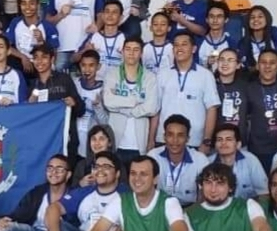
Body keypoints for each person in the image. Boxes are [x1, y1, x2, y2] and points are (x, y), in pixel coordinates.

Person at [43, 151, 127, 231]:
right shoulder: (83, 192)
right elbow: (53, 208)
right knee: (59, 226)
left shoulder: (127, 193)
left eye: (106, 167)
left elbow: (130, 222)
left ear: (117, 173)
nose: (100, 170)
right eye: (96, 167)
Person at [151, 31, 219, 154]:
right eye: (176, 45)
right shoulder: (162, 74)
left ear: (194, 49)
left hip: (195, 141)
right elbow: (155, 109)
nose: (179, 48)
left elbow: (211, 109)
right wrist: (151, 139)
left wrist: (206, 141)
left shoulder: (205, 75)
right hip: (164, 139)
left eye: (184, 44)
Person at [102, 37, 159, 169]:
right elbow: (108, 102)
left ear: (141, 53)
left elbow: (151, 108)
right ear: (122, 52)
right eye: (128, 49)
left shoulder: (150, 77)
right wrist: (135, 101)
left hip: (139, 143)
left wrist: (122, 108)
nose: (131, 53)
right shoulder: (112, 74)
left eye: (136, 49)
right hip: (116, 141)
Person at [28, 43, 85, 157]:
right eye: (36, 57)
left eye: (44, 57)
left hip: (65, 140)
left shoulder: (64, 79)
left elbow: (81, 110)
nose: (39, 61)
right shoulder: (31, 84)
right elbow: (27, 117)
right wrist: (29, 105)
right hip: (42, 142)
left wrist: (74, 103)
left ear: (52, 59)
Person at [246, 49, 277, 171]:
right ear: (257, 66)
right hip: (259, 149)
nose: (267, 66)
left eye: (272, 63)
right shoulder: (249, 88)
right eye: (263, 62)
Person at [147, 115, 210, 207]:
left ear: (187, 138)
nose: (175, 140)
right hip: (159, 208)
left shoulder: (200, 159)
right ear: (164, 137)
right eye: (170, 135)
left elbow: (204, 195)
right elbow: (146, 189)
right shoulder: (153, 156)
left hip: (190, 208)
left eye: (180, 135)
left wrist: (187, 213)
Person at [210, 124, 269, 201]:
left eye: (229, 139)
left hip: (247, 206)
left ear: (238, 144)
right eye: (219, 140)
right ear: (215, 145)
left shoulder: (251, 160)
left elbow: (264, 193)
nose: (223, 143)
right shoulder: (208, 163)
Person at [73, 50, 106, 158]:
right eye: (83, 65)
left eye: (91, 65)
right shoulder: (74, 84)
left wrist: (98, 106)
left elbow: (105, 123)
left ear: (98, 66)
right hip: (74, 142)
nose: (87, 69)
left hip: (93, 146)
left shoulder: (103, 89)